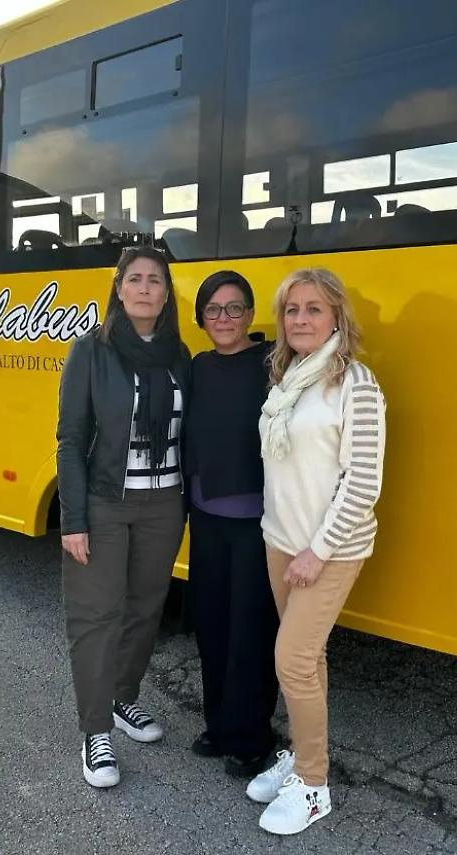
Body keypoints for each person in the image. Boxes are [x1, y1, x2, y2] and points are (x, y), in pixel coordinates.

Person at [246, 268, 387, 835]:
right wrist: (282, 539)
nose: (300, 319)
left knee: (293, 662)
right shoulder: (288, 379)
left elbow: (364, 481)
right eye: (291, 309)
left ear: (337, 318)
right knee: (311, 660)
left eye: (314, 309)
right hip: (280, 541)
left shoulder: (356, 383)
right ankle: (305, 758)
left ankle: (313, 785)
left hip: (329, 549)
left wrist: (317, 550)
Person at [55, 245, 191, 788]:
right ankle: (95, 731)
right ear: (117, 288)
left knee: (144, 611)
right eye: (133, 278)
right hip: (108, 501)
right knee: (96, 615)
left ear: (165, 292)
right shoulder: (91, 351)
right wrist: (73, 519)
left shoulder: (179, 354)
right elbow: (70, 440)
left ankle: (122, 699)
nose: (143, 288)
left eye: (154, 280)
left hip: (165, 501)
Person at [182, 270, 278, 779]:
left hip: (257, 524)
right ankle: (218, 725)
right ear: (201, 318)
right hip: (206, 517)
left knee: (251, 631)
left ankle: (251, 736)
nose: (224, 318)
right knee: (212, 625)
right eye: (214, 309)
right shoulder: (196, 367)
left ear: (249, 314)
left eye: (235, 308)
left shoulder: (273, 363)